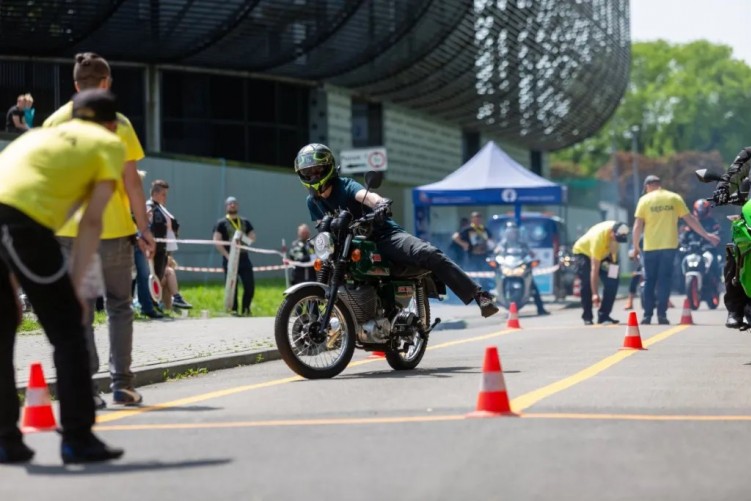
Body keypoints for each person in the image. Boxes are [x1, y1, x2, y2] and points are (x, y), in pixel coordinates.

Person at [0, 89, 125, 464]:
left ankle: (6, 441)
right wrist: (75, 289)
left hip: (9, 218)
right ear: (111, 124)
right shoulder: (107, 142)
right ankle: (77, 438)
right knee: (69, 331)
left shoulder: (39, 136)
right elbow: (91, 221)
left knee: (2, 329)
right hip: (24, 225)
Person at [45, 52, 156, 408]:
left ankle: (85, 388)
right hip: (112, 234)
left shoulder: (53, 123)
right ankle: (122, 385)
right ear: (107, 83)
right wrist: (145, 230)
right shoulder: (118, 123)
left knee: (80, 309)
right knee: (120, 306)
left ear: (75, 85)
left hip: (70, 234)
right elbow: (133, 185)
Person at [294, 143, 499, 318]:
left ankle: (478, 294)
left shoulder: (345, 186)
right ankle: (315, 322)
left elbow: (367, 196)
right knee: (321, 271)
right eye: (307, 172)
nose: (312, 175)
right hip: (347, 246)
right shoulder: (312, 201)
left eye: (317, 170)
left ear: (328, 168)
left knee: (428, 253)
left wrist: (380, 204)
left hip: (382, 236)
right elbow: (322, 226)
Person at [633, 175, 720, 325]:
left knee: (649, 281)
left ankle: (647, 316)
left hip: (650, 248)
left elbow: (637, 226)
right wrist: (706, 235)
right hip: (669, 247)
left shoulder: (644, 200)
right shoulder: (674, 198)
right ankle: (662, 315)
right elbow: (691, 220)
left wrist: (635, 247)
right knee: (664, 281)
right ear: (659, 184)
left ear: (647, 186)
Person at [572, 221, 630, 325]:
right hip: (584, 253)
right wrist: (595, 294)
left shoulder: (617, 238)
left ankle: (604, 315)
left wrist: (612, 278)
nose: (617, 241)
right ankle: (587, 316)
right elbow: (594, 269)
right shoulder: (598, 239)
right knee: (586, 283)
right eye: (616, 238)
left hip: (604, 255)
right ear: (612, 232)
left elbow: (613, 262)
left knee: (613, 282)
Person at [495, 221, 550, 316]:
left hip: (519, 268)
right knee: (494, 284)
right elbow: (497, 252)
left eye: (514, 232)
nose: (512, 234)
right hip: (507, 268)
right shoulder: (503, 244)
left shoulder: (522, 243)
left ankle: (540, 309)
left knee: (533, 287)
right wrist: (496, 256)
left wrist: (531, 258)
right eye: (510, 232)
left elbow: (530, 253)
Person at [213, 196, 256, 316]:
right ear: (226, 206)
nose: (232, 205)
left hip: (243, 258)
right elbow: (217, 240)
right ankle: (234, 310)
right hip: (229, 258)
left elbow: (252, 238)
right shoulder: (221, 223)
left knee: (249, 285)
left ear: (237, 206)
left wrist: (244, 239)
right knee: (233, 286)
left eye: (234, 203)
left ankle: (246, 309)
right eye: (230, 203)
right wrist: (227, 256)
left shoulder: (245, 222)